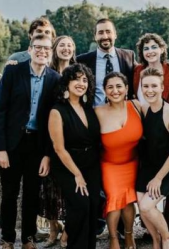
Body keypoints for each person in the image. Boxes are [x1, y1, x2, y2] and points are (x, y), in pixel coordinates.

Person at [0, 34, 60, 249]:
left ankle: (28, 238)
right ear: (29, 50)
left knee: (32, 194)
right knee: (9, 193)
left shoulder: (55, 79)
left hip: (36, 146)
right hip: (11, 144)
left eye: (46, 48)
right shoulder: (13, 71)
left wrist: (48, 154)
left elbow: (53, 120)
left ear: (51, 52)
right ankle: (8, 238)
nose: (42, 51)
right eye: (38, 47)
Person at [134, 33, 169, 245]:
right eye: (146, 87)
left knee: (146, 206)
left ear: (163, 87)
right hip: (148, 164)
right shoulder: (141, 108)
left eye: (154, 86)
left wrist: (158, 179)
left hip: (167, 167)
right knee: (140, 202)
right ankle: (155, 240)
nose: (150, 90)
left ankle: (167, 236)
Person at [48, 63, 101, 249]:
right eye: (76, 79)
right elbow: (59, 148)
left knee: (93, 205)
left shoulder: (89, 107)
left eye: (85, 80)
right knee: (81, 205)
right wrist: (77, 174)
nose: (81, 83)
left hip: (92, 164)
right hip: (68, 165)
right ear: (67, 83)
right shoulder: (57, 111)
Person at [95, 72, 143, 249]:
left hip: (133, 163)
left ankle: (129, 236)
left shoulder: (136, 106)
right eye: (110, 87)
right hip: (109, 165)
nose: (115, 91)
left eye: (119, 86)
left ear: (126, 89)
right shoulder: (98, 112)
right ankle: (113, 238)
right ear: (105, 91)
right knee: (114, 200)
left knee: (129, 201)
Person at [40, 36, 76, 248]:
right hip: (51, 132)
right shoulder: (48, 74)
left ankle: (68, 230)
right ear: (55, 48)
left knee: (70, 186)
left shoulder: (79, 72)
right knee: (50, 187)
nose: (66, 48)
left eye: (69, 46)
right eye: (62, 45)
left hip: (73, 136)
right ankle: (53, 229)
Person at [77, 18, 135, 106]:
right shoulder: (82, 60)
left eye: (108, 32)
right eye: (100, 32)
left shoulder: (128, 56)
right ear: (95, 36)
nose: (105, 36)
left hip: (123, 113)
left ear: (115, 34)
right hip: (94, 116)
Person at [134, 33, 169, 108]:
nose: (150, 51)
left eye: (154, 47)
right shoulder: (137, 70)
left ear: (162, 49)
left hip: (167, 117)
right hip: (140, 118)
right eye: (146, 49)